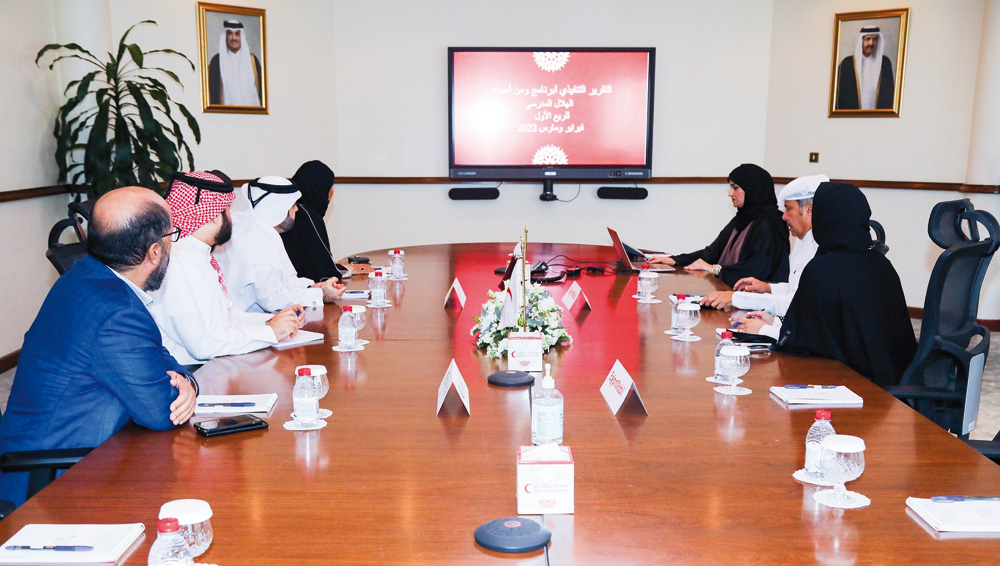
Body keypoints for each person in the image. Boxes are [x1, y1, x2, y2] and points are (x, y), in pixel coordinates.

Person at [0, 187, 197, 506]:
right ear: (154, 252)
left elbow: (157, 353)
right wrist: (183, 389)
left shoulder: (86, 277)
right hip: (51, 483)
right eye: (170, 235)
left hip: (68, 451)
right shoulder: (117, 310)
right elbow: (162, 412)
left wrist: (186, 381)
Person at [735, 183, 916, 388]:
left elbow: (812, 345)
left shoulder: (824, 267)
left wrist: (766, 330)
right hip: (891, 382)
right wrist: (777, 323)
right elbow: (832, 329)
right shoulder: (880, 263)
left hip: (855, 387)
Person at [148, 171, 304, 366]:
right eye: (227, 209)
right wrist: (269, 332)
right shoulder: (180, 261)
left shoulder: (196, 253)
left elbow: (226, 316)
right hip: (192, 372)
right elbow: (203, 344)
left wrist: (273, 322)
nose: (232, 217)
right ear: (213, 216)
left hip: (212, 364)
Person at [215, 175, 345, 314]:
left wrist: (314, 287)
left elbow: (286, 280)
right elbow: (272, 300)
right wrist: (321, 295)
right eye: (293, 205)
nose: (297, 210)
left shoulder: (258, 230)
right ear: (278, 208)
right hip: (251, 324)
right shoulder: (256, 238)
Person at [701, 174, 827, 315]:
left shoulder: (822, 246)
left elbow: (795, 303)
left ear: (808, 210)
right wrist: (767, 287)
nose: (784, 216)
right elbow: (795, 288)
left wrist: (736, 298)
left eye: (788, 208)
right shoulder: (802, 237)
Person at [648, 163, 789, 287]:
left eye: (735, 188)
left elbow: (755, 270)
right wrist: (674, 260)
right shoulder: (742, 218)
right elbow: (711, 253)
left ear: (752, 189)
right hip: (732, 295)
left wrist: (714, 269)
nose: (729, 193)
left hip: (759, 305)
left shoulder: (769, 224)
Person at [281, 160, 343, 282]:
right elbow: (325, 271)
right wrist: (346, 270)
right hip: (304, 291)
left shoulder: (285, 209)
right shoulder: (309, 216)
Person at [836, 25, 894, 110]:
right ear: (861, 40)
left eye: (874, 39)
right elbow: (840, 95)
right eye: (867, 39)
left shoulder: (885, 63)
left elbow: (890, 93)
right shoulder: (847, 64)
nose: (871, 43)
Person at [207, 19, 262, 106]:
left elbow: (262, 91)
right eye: (230, 34)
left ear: (242, 37)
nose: (233, 38)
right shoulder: (217, 61)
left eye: (237, 34)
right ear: (225, 36)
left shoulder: (253, 61)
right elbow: (212, 93)